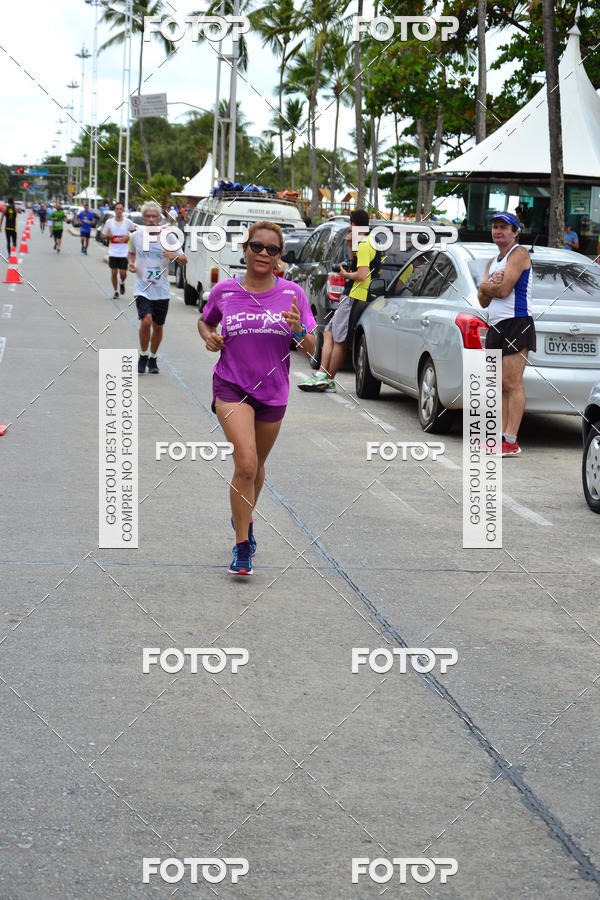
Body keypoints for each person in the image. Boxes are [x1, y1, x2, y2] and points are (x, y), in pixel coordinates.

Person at [198, 221, 317, 576]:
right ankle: (241, 546)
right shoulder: (225, 291)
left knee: (257, 466)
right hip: (231, 386)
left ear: (280, 256)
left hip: (273, 391)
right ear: (246, 250)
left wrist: (298, 330)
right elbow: (205, 322)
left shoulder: (293, 293)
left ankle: (244, 520)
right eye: (257, 246)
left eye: (272, 249)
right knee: (246, 463)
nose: (264, 253)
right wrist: (209, 336)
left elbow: (312, 348)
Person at [298, 208, 376, 392]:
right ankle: (322, 375)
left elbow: (362, 274)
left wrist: (345, 274)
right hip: (351, 296)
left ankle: (328, 379)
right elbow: (356, 261)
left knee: (339, 338)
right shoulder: (368, 241)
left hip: (355, 296)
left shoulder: (365, 244)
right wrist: (350, 246)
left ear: (352, 224)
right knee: (329, 333)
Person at [477, 211, 535, 457]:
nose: (498, 231)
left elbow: (502, 291)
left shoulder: (519, 254)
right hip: (496, 325)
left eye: (504, 227)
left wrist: (486, 286)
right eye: (495, 227)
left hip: (517, 322)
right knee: (499, 385)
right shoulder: (493, 262)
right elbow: (482, 301)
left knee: (512, 383)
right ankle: (500, 438)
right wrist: (487, 286)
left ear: (515, 232)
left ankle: (511, 440)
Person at [128, 201, 186, 376]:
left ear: (160, 219)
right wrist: (131, 263)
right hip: (142, 288)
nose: (151, 219)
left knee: (158, 326)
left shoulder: (169, 237)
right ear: (143, 218)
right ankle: (143, 355)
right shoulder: (136, 236)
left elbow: (184, 260)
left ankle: (153, 357)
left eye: (155, 216)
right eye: (148, 216)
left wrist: (173, 255)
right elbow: (131, 253)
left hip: (161, 290)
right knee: (146, 321)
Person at [102, 202, 136, 298]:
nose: (119, 211)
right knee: (113, 272)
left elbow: (134, 234)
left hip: (124, 252)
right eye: (117, 209)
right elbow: (102, 235)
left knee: (123, 273)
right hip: (113, 251)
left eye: (121, 209)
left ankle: (122, 282)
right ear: (114, 210)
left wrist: (128, 237)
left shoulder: (128, 222)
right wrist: (107, 236)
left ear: (123, 210)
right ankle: (116, 291)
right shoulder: (109, 222)